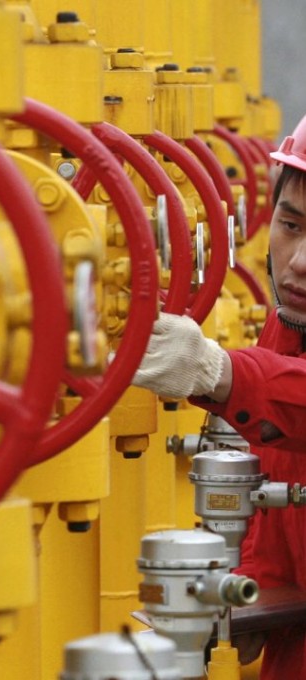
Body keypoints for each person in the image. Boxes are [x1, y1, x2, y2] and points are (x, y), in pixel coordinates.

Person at [133, 112, 306, 679]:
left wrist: (218, 371)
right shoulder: (291, 321)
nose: (300, 263)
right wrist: (250, 592)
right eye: (292, 225)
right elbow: (279, 478)